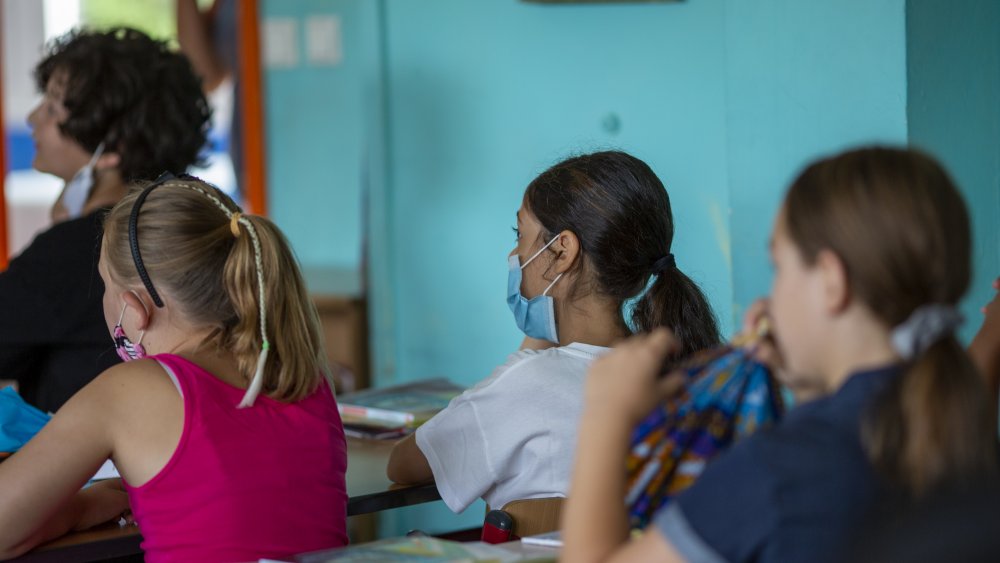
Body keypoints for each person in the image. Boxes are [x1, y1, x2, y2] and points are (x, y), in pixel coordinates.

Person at [562, 146, 1000, 563]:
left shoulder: (777, 471)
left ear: (831, 281)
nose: (770, 295)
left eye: (780, 266)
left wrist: (606, 414)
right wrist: (812, 386)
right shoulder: (965, 442)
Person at [0, 176, 348, 561]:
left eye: (105, 285)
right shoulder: (303, 373)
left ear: (135, 307)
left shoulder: (131, 390)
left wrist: (82, 508)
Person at [386, 150, 721, 514]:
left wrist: (530, 352)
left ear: (562, 252)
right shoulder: (681, 371)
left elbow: (403, 465)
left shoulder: (526, 384)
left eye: (521, 234)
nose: (513, 254)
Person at [0, 27, 211, 412]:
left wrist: (63, 234)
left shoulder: (77, 248)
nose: (32, 119)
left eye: (51, 108)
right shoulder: (177, 235)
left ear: (111, 149)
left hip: (87, 469)